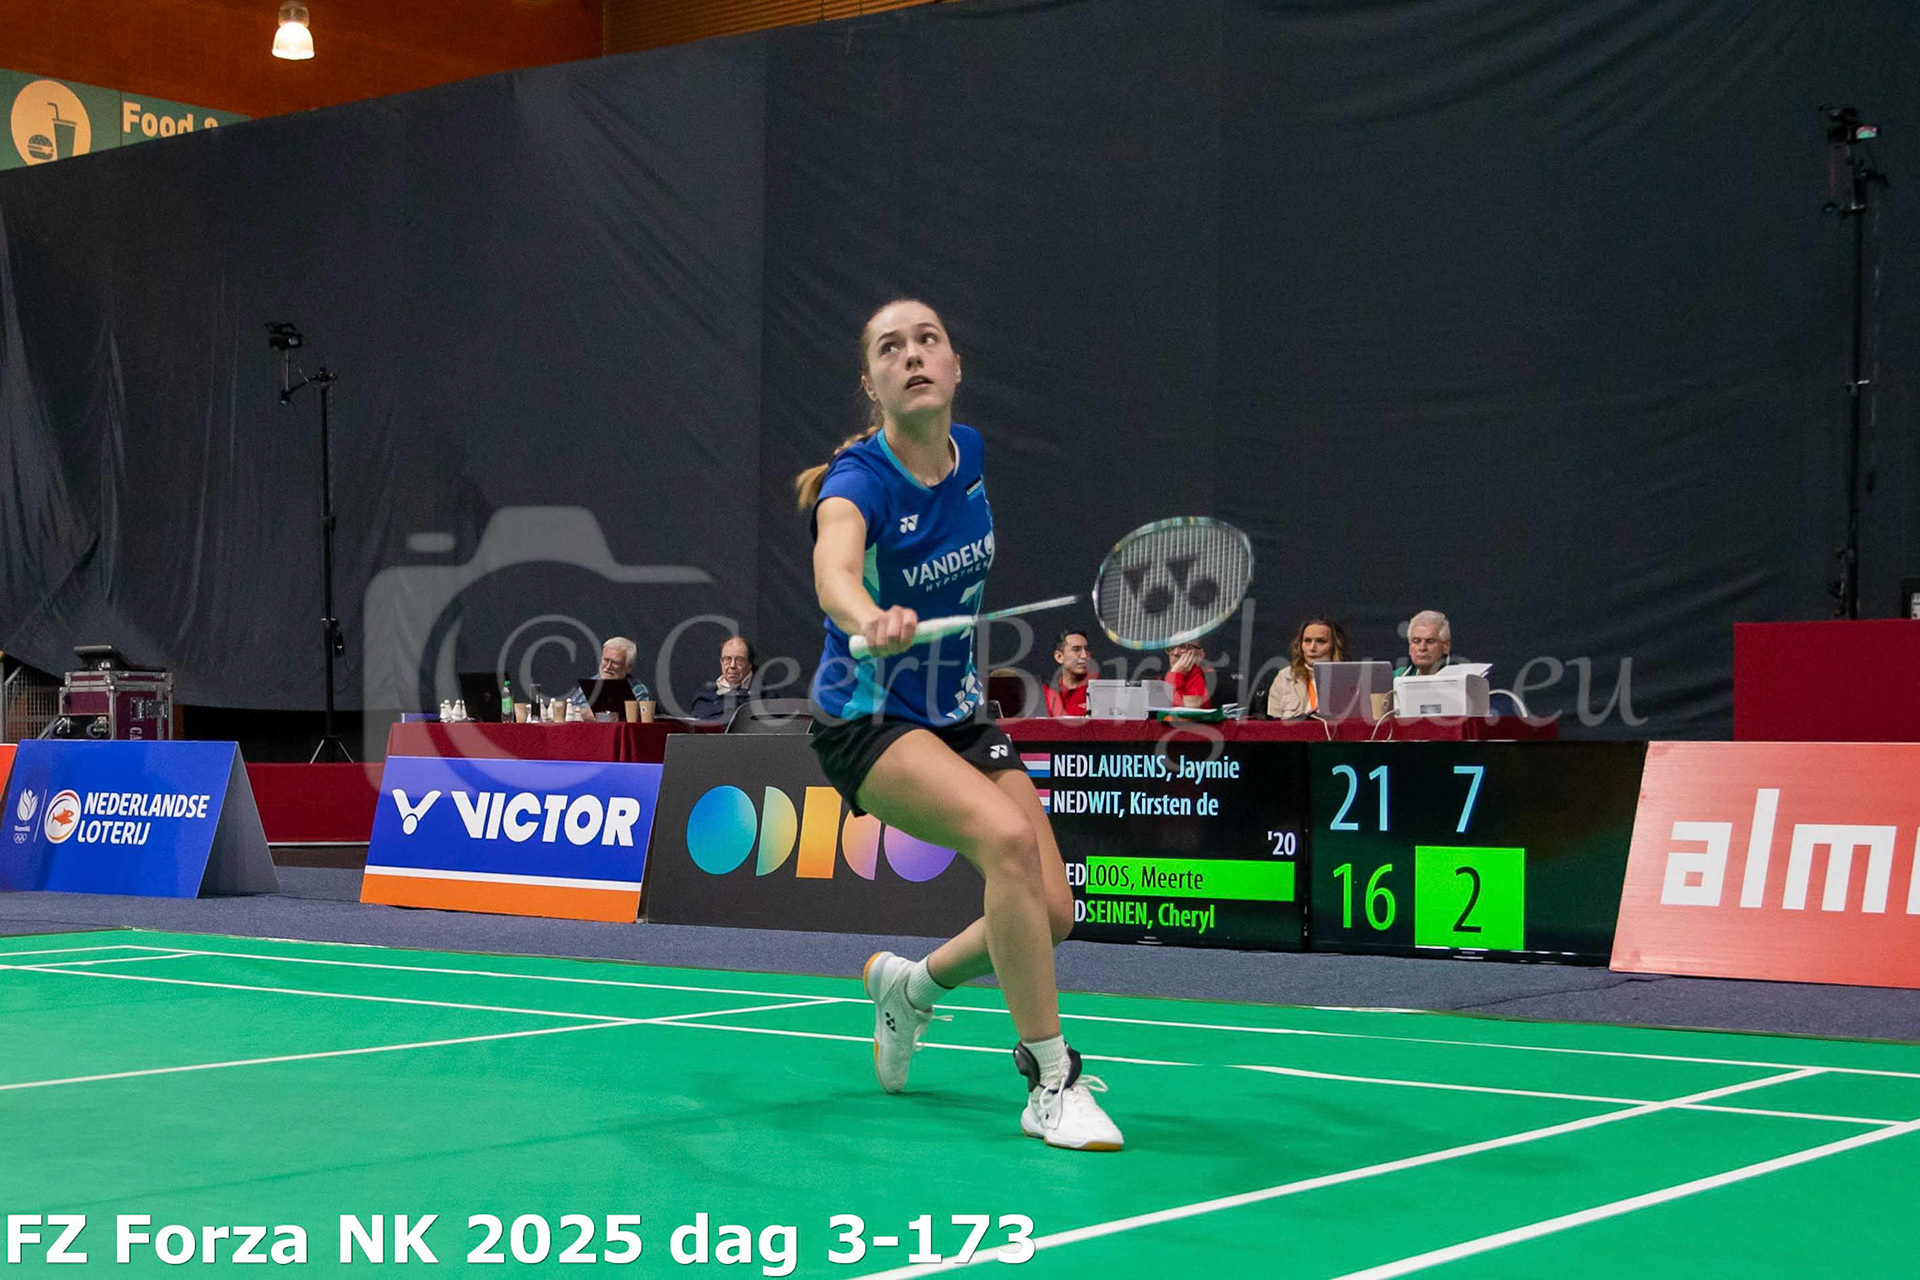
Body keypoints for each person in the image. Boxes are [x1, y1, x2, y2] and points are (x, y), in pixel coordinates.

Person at [796, 298, 1121, 1151]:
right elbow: (834, 569)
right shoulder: (857, 484)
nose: (913, 355)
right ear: (871, 384)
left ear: (955, 365)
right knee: (1004, 840)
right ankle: (1050, 1079)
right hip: (867, 717)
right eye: (890, 348)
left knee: (1051, 911)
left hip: (957, 710)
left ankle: (911, 990)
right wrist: (866, 614)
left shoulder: (969, 453)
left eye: (928, 340)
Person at [1267, 616, 1350, 719]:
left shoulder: (1349, 678)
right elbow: (1272, 724)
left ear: (1335, 646)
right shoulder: (1285, 677)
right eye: (1307, 641)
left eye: (1321, 641)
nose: (1312, 648)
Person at [567, 636, 652, 716]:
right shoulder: (590, 684)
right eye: (606, 660)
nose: (608, 667)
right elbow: (569, 712)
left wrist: (589, 714)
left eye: (615, 663)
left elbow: (639, 720)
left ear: (628, 667)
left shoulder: (637, 690)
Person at [687, 636, 756, 722]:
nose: (732, 665)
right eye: (727, 659)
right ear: (721, 662)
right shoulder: (704, 693)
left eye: (739, 660)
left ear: (749, 664)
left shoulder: (764, 696)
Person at [1043, 628, 1094, 717]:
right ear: (1059, 657)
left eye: (1087, 650)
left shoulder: (1101, 692)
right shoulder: (1044, 693)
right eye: (1076, 649)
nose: (1084, 655)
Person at [1396, 610, 1453, 677]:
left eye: (1430, 641)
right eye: (1416, 641)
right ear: (1410, 648)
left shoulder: (1459, 677)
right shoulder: (1395, 677)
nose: (1422, 648)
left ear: (1446, 647)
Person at [1163, 640, 1211, 709]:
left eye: (1183, 647)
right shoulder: (1162, 678)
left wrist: (1174, 675)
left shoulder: (1207, 679)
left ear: (1200, 654)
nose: (1175, 653)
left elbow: (1180, 710)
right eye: (1172, 648)